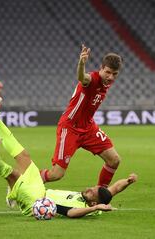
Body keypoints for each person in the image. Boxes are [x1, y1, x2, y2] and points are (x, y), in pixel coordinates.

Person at [0, 97, 138, 218]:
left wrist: (93, 210)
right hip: (41, 190)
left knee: (11, 173)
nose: (90, 188)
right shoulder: (98, 198)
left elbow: (71, 214)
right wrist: (128, 181)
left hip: (37, 202)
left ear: (94, 204)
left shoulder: (81, 207)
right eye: (94, 188)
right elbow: (114, 189)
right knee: (24, 156)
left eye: (93, 193)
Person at [39, 45, 123, 187]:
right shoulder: (93, 80)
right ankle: (21, 181)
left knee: (114, 160)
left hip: (88, 128)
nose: (110, 77)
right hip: (70, 127)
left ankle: (99, 197)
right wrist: (81, 63)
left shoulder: (106, 83)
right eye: (108, 72)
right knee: (56, 174)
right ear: (101, 68)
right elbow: (82, 77)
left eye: (115, 74)